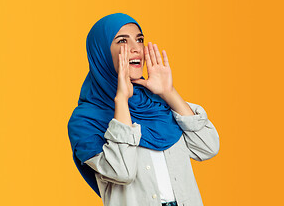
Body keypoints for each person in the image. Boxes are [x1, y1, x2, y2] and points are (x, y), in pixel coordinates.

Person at [68, 13, 220, 206]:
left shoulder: (156, 103)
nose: (135, 48)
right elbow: (122, 172)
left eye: (139, 39)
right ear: (101, 52)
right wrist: (121, 100)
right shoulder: (84, 121)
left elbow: (208, 147)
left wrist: (169, 93)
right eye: (122, 41)